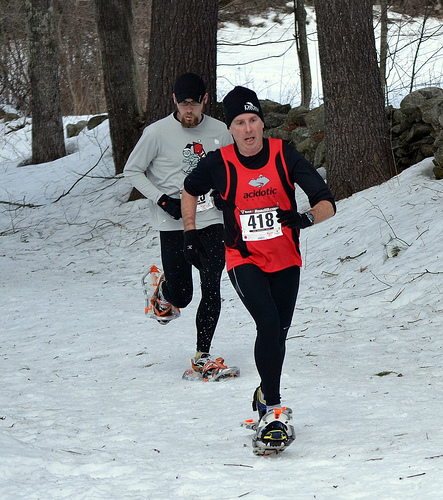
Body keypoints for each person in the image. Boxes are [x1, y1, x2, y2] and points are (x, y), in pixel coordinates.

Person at [181, 86, 336, 455]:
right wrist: (189, 231)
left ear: (262, 124)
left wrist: (305, 218)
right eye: (239, 122)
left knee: (278, 333)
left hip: (286, 258)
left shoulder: (285, 154)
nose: (247, 129)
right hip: (243, 258)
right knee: (267, 323)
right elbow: (189, 189)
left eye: (253, 120)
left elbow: (327, 202)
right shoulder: (218, 163)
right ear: (230, 129)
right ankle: (273, 411)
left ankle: (265, 392)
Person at [123, 73, 233, 378]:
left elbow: (231, 169)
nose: (189, 110)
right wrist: (162, 200)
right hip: (172, 220)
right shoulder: (156, 133)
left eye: (194, 104)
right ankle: (162, 292)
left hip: (210, 218)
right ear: (174, 100)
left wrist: (224, 193)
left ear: (205, 100)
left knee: (212, 283)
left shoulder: (221, 131)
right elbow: (132, 170)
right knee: (182, 295)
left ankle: (202, 356)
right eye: (183, 104)